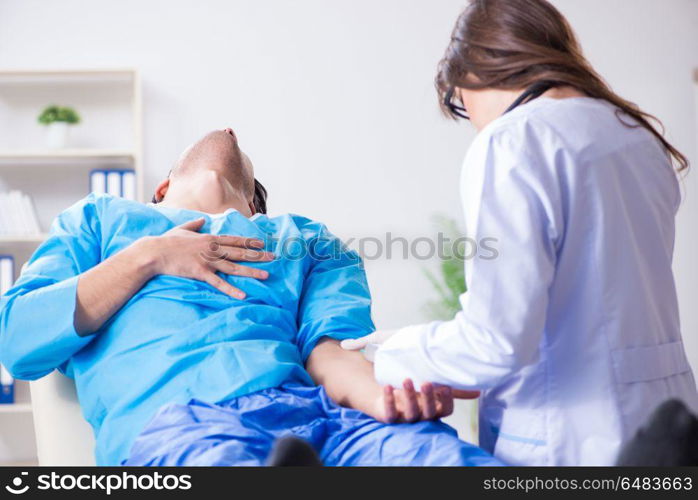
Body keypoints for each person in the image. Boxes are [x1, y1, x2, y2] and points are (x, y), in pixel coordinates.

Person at [0, 128, 501, 467]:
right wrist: (151, 256)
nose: (231, 131)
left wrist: (387, 401)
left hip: (324, 419)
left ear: (257, 206)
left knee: (442, 459)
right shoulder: (100, 219)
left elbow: (331, 352)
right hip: (184, 424)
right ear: (161, 189)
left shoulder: (306, 239)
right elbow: (18, 340)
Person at [343, 0, 698, 466]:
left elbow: (496, 343)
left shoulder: (513, 140)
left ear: (470, 76)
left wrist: (393, 353)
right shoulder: (634, 135)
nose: (471, 124)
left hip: (572, 443)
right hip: (672, 430)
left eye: (459, 105)